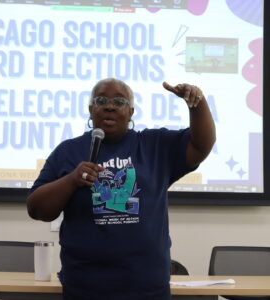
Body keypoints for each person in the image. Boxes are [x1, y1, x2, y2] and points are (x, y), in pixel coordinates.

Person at [27, 78, 216, 300]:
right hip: (85, 287)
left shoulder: (154, 145)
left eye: (119, 101)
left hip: (146, 287)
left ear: (131, 112)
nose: (109, 106)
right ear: (90, 110)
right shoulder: (68, 151)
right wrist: (71, 180)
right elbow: (37, 208)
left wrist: (197, 103)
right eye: (101, 100)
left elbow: (201, 145)